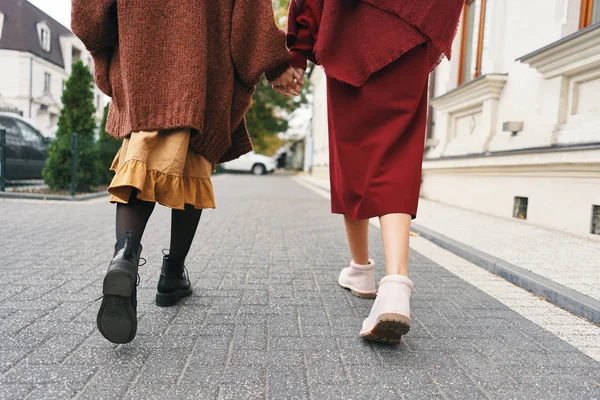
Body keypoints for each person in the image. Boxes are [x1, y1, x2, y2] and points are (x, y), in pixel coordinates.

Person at [71, 0, 301, 344]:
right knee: (192, 165)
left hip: (141, 60)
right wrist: (274, 61)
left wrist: (107, 44)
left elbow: (88, 16)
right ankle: (173, 273)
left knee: (142, 158)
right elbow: (250, 11)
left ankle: (125, 256)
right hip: (202, 67)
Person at [286, 0, 464, 343]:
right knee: (397, 153)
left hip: (349, 29)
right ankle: (384, 280)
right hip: (412, 27)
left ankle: (369, 273)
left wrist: (299, 50)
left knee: (350, 152)